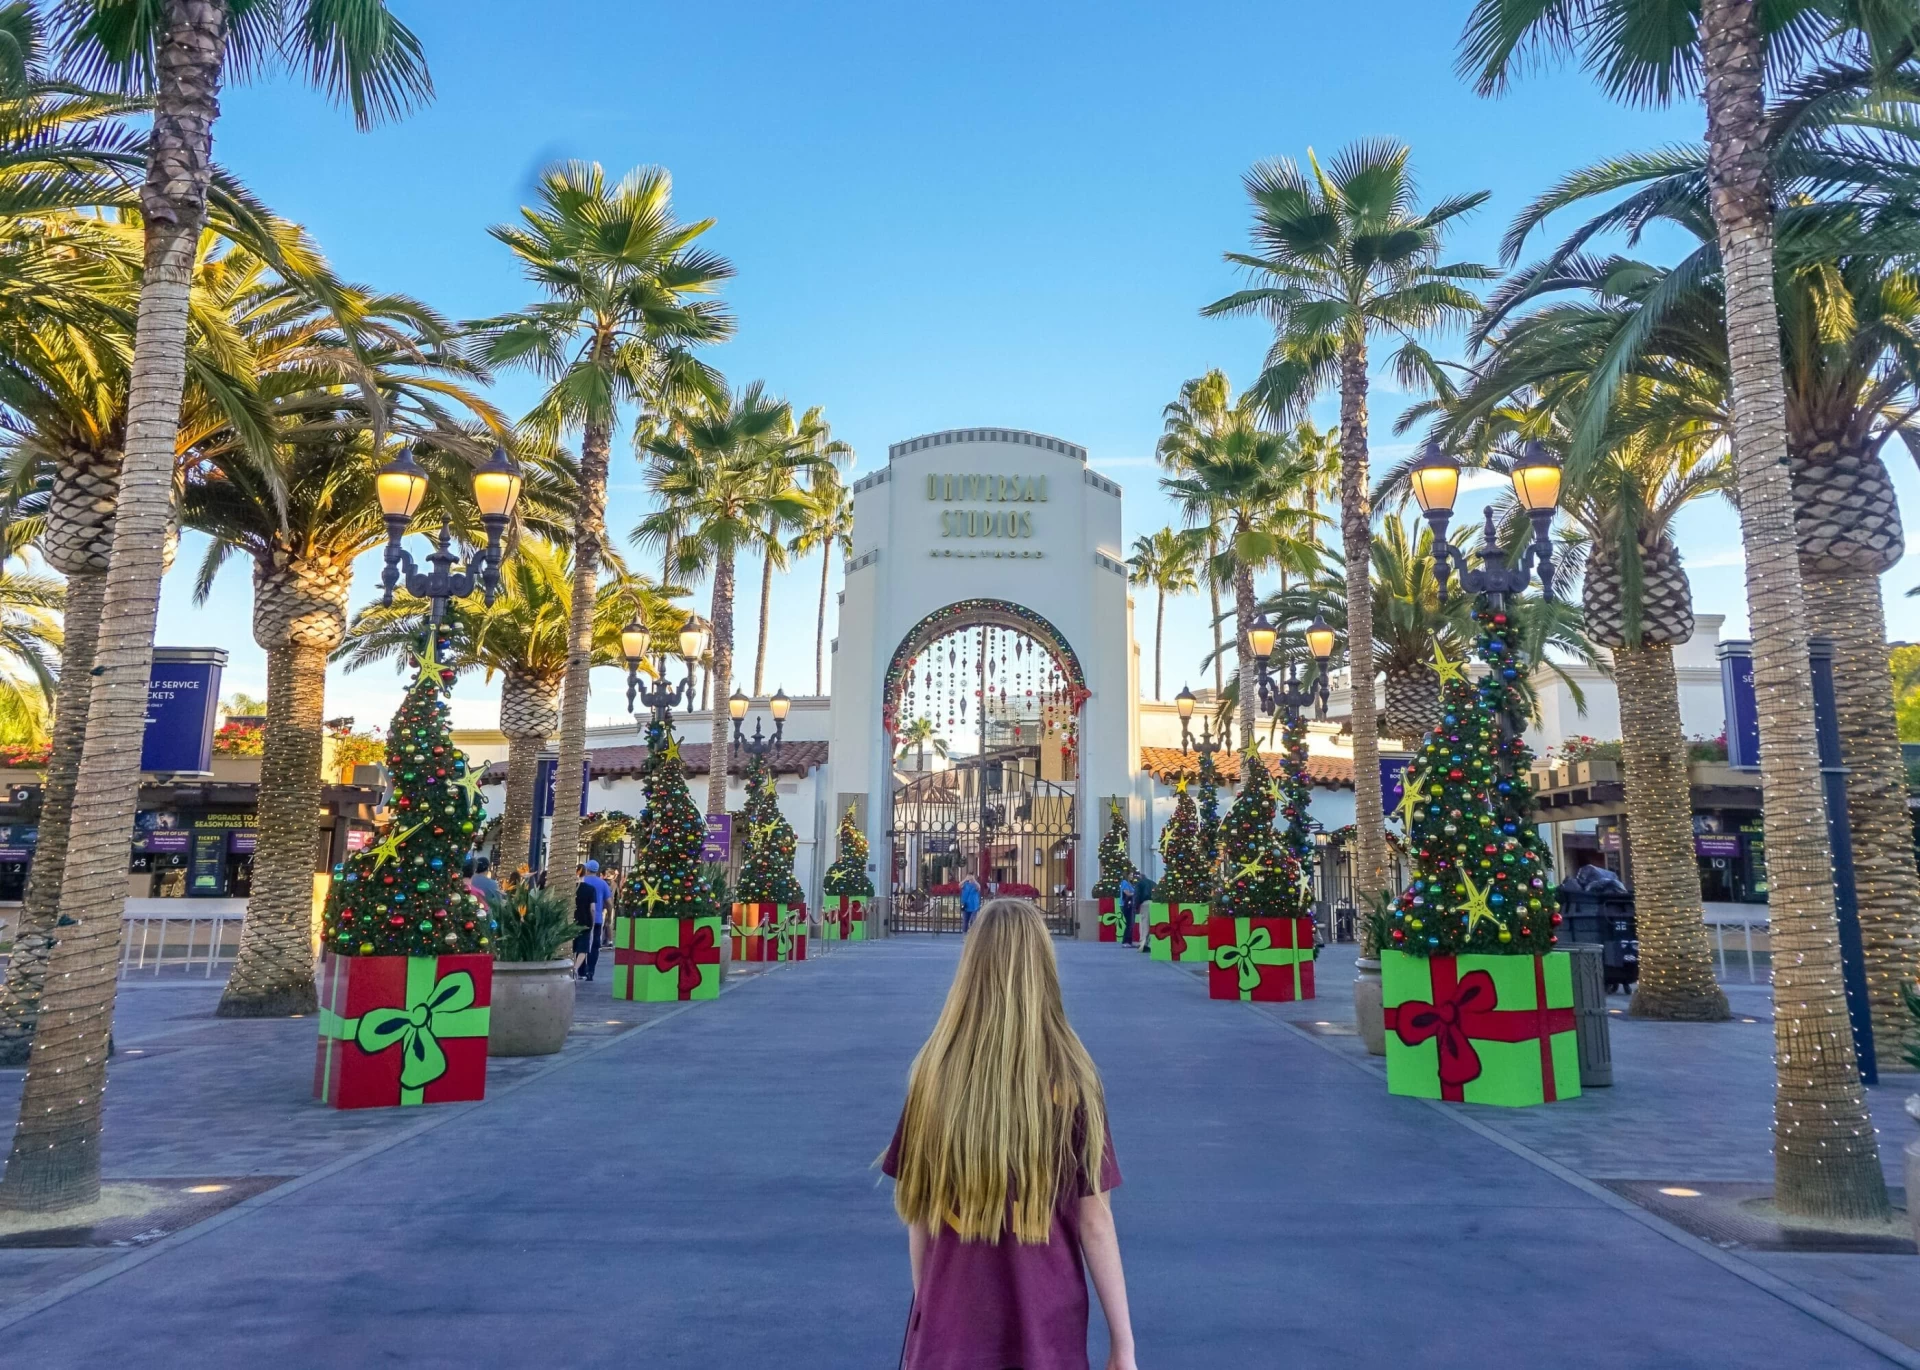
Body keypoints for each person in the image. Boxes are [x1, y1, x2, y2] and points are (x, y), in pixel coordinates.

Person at [881, 899, 1137, 1370]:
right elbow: (1095, 1222)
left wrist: (929, 1303)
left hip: (949, 1334)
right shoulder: (1072, 1081)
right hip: (1045, 1330)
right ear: (1043, 968)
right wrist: (1123, 1344)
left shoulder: (935, 1075)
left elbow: (917, 1211)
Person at [572, 863, 600, 981]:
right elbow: (592, 908)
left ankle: (571, 966)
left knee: (572, 946)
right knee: (583, 948)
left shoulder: (571, 888)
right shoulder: (590, 889)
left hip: (572, 920)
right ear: (585, 872)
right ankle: (576, 968)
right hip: (585, 921)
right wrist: (592, 922)